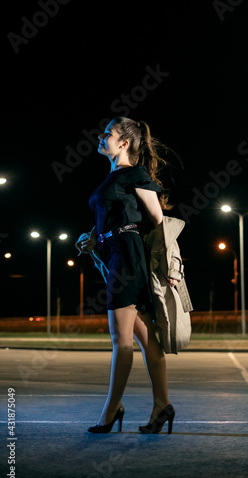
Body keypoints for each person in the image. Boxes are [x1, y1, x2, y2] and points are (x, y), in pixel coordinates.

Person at [77, 117, 181, 434]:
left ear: (123, 143)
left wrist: (172, 265)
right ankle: (162, 406)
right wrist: (93, 237)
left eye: (107, 133)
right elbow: (116, 216)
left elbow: (159, 220)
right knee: (145, 337)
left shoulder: (134, 174)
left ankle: (111, 411)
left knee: (121, 341)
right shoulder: (115, 176)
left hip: (128, 260)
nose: (101, 136)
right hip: (115, 256)